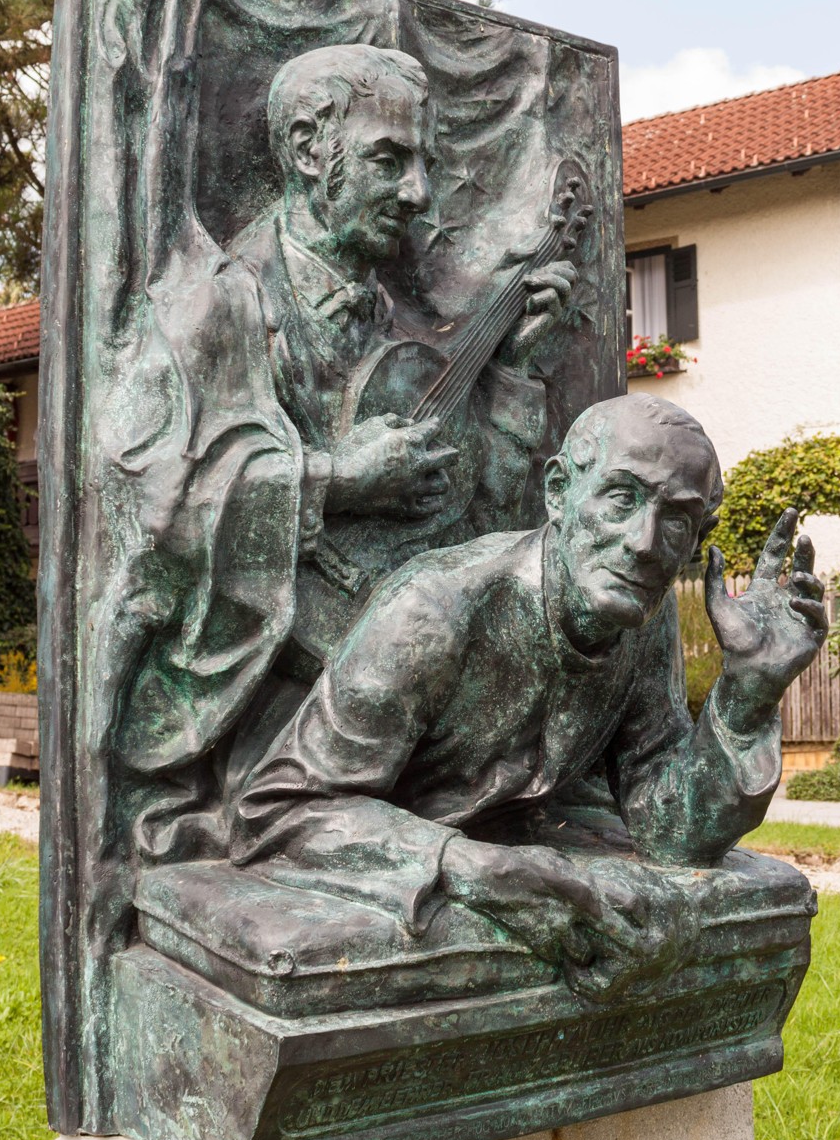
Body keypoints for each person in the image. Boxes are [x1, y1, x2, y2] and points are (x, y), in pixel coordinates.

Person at [227, 393, 828, 996]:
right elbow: (277, 811)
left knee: (754, 900)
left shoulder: (645, 617)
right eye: (622, 498)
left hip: (524, 841)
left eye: (676, 519)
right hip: (405, 855)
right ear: (560, 492)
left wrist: (749, 692)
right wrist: (481, 870)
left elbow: (669, 830)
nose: (645, 543)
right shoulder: (433, 610)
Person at [115, 44, 581, 781]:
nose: (419, 192)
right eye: (389, 160)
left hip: (392, 689)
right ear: (308, 150)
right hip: (253, 709)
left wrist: (515, 375)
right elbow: (161, 505)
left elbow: (474, 531)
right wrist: (337, 480)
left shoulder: (404, 332)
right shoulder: (218, 304)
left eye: (422, 163)